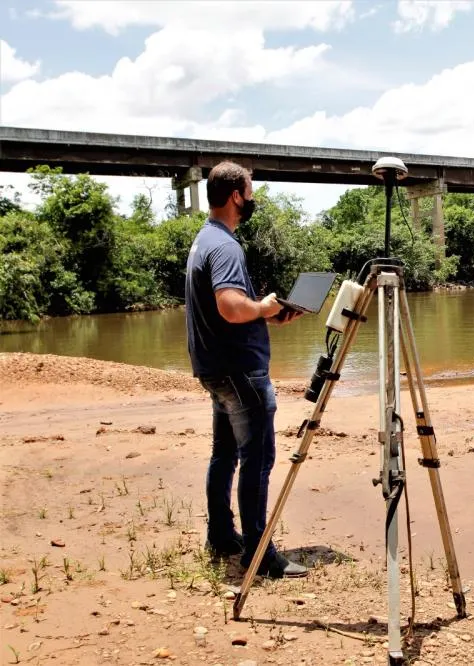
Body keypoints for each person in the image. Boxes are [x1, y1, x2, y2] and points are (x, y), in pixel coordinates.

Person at [185, 161, 309, 579]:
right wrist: (262, 307)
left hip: (217, 370)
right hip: (241, 373)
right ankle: (260, 555)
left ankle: (221, 534)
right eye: (250, 191)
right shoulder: (226, 246)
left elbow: (228, 308)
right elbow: (230, 305)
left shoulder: (204, 240)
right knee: (257, 459)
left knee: (224, 455)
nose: (252, 198)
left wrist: (267, 315)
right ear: (237, 195)